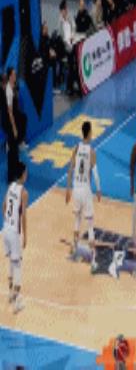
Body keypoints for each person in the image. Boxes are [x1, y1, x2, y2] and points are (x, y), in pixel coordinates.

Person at [65, 121, 101, 268]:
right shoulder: (91, 151)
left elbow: (70, 170)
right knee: (90, 224)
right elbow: (96, 174)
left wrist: (68, 190)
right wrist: (98, 190)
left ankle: (74, 248)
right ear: (90, 133)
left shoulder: (76, 148)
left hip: (76, 188)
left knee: (77, 220)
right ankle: (93, 261)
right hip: (85, 189)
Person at [3, 162, 28, 314]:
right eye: (26, 172)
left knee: (11, 263)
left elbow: (4, 206)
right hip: (14, 233)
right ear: (22, 174)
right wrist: (25, 235)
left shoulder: (10, 186)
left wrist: (8, 222)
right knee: (18, 265)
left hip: (6, 228)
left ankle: (11, 294)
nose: (27, 174)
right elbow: (23, 216)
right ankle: (17, 302)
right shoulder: (23, 193)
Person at [5, 68, 27, 183]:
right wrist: (14, 128)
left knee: (15, 149)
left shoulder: (14, 87)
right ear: (9, 76)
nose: (15, 76)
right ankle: (10, 176)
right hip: (10, 123)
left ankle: (16, 170)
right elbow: (9, 112)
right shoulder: (8, 91)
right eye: (13, 74)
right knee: (12, 150)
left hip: (15, 119)